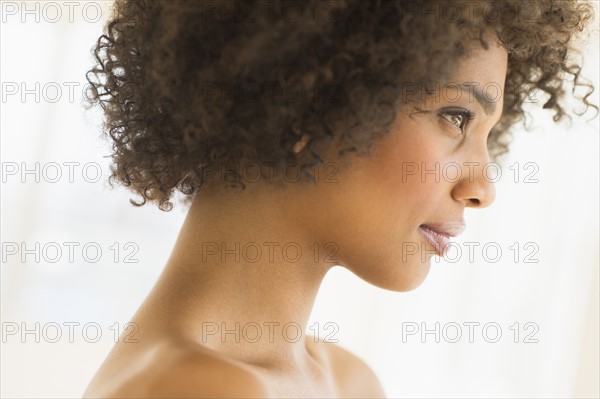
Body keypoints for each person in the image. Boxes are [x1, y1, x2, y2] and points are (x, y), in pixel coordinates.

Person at [83, 0, 596, 397]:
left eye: (488, 132)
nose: (482, 189)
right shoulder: (196, 391)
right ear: (305, 96)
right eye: (457, 117)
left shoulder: (350, 382)